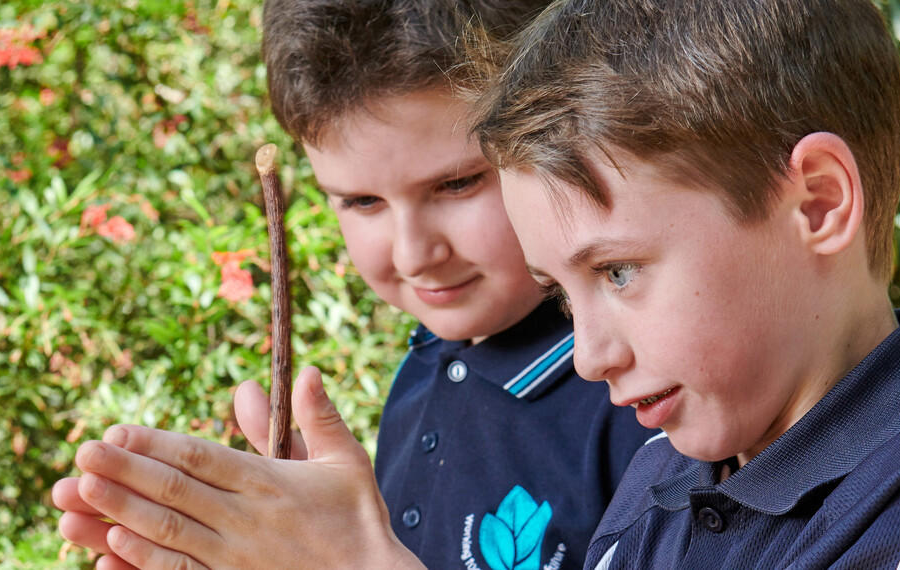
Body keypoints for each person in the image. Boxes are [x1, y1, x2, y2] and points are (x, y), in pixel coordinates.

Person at [469, 0, 900, 567]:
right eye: (560, 295)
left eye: (618, 272)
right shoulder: (658, 482)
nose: (589, 357)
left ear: (819, 203)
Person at [50, 0, 655, 567]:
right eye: (362, 200)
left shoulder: (648, 398)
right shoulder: (424, 375)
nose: (414, 253)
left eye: (457, 184)